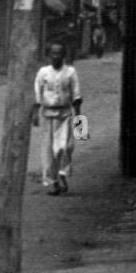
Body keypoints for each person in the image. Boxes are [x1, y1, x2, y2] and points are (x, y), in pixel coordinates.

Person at [33, 42, 82, 195]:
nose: (56, 56)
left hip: (65, 114)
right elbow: (37, 92)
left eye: (59, 53)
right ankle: (53, 182)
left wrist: (80, 124)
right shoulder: (43, 72)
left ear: (64, 55)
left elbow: (77, 96)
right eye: (53, 53)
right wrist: (35, 112)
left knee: (65, 147)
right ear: (49, 55)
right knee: (48, 150)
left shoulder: (70, 72)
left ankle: (62, 174)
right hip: (47, 115)